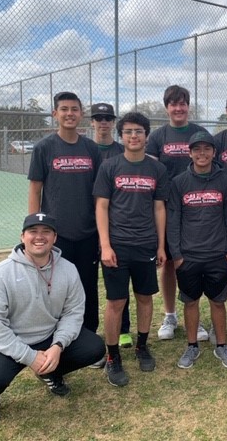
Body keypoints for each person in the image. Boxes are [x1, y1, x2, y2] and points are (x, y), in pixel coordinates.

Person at [0, 213, 105, 429]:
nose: (39, 237)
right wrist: (30, 357)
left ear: (55, 238)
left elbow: (73, 313)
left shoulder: (68, 270)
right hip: (9, 342)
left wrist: (58, 345)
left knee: (94, 347)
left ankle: (51, 372)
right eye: (33, 232)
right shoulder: (0, 275)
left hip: (48, 337)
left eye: (46, 232)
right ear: (22, 236)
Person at [93, 112, 169, 387]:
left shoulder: (157, 170)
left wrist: (160, 245)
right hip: (117, 246)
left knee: (145, 298)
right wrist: (105, 245)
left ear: (147, 136)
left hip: (146, 244)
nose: (134, 136)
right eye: (128, 132)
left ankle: (141, 346)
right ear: (121, 136)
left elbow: (159, 208)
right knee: (116, 302)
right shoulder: (110, 167)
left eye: (139, 131)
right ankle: (112, 355)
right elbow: (101, 206)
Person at [28, 92, 101, 339]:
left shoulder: (91, 149)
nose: (69, 114)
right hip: (56, 236)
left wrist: (101, 232)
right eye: (64, 109)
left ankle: (89, 335)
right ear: (55, 114)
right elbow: (35, 189)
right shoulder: (44, 148)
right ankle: (56, 338)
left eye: (74, 109)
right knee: (56, 288)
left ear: (81, 114)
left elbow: (98, 194)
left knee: (88, 286)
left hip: (88, 233)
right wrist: (34, 230)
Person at [168, 131, 227, 369]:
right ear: (190, 153)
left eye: (206, 149)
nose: (202, 153)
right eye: (197, 149)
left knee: (218, 302)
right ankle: (191, 346)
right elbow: (173, 221)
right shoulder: (179, 183)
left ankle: (222, 345)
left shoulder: (225, 181)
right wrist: (177, 256)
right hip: (188, 256)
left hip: (217, 254)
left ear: (214, 152)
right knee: (190, 302)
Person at [146, 85, 210, 342]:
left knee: (195, 263)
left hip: (197, 208)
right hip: (168, 209)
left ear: (188, 106)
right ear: (167, 108)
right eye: (173, 104)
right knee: (170, 263)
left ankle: (197, 316)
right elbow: (150, 173)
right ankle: (170, 315)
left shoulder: (200, 133)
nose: (178, 108)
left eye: (182, 103)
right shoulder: (158, 136)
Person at [90, 102, 133, 350]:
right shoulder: (87, 149)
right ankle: (89, 331)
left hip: (116, 225)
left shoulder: (121, 150)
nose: (103, 122)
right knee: (89, 283)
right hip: (89, 222)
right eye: (99, 118)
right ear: (92, 122)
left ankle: (124, 328)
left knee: (120, 279)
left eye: (107, 118)